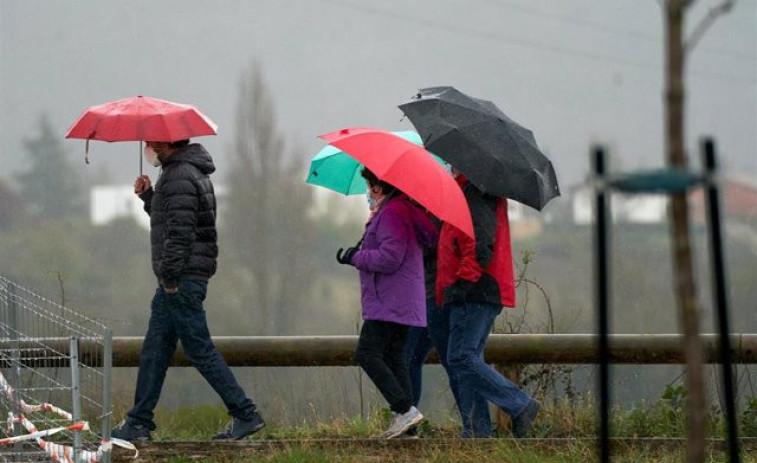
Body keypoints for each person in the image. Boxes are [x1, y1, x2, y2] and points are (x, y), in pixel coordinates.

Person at [111, 139, 264, 443]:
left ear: (166, 143)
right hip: (180, 278)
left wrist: (169, 277)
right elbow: (172, 219)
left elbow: (179, 232)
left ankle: (246, 413)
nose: (148, 148)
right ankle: (139, 421)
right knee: (155, 350)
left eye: (151, 143)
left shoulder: (179, 174)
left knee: (199, 350)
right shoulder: (186, 172)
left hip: (178, 280)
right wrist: (149, 196)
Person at [436, 167, 540, 438]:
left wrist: (462, 284)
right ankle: (478, 432)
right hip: (477, 289)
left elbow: (481, 245)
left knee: (461, 357)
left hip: (476, 290)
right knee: (465, 359)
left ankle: (519, 405)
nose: (448, 163)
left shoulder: (475, 191)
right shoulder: (470, 189)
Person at [336, 168, 437, 439]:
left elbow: (390, 258)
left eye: (369, 184)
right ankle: (408, 427)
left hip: (390, 300)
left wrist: (358, 258)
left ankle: (404, 410)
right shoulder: (401, 210)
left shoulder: (393, 212)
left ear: (379, 186)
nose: (368, 191)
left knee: (367, 353)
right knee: (395, 359)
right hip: (403, 301)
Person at [403, 216, 493, 438]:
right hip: (422, 295)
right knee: (410, 357)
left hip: (437, 295)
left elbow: (440, 245)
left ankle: (476, 428)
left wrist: (408, 238)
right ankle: (406, 422)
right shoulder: (413, 204)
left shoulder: (438, 207)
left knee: (455, 361)